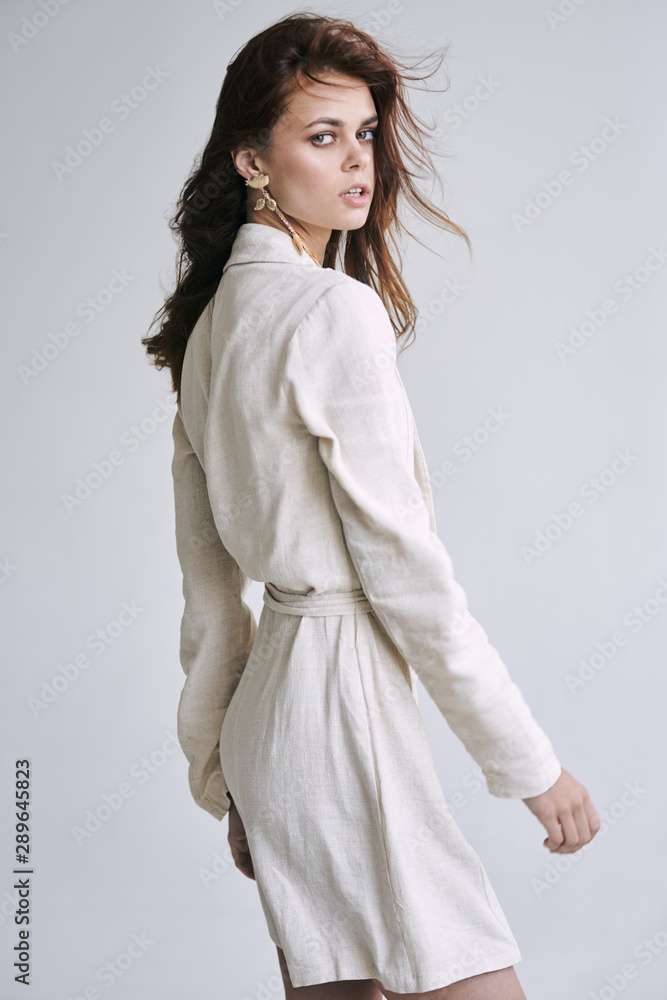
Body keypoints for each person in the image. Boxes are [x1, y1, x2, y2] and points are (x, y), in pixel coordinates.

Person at [142, 12, 600, 999]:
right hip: (342, 716)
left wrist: (226, 771)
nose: (358, 160)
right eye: (322, 136)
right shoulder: (330, 311)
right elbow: (407, 576)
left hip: (271, 724)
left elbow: (208, 595)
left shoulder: (207, 332)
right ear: (252, 162)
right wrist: (530, 765)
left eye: (365, 133)